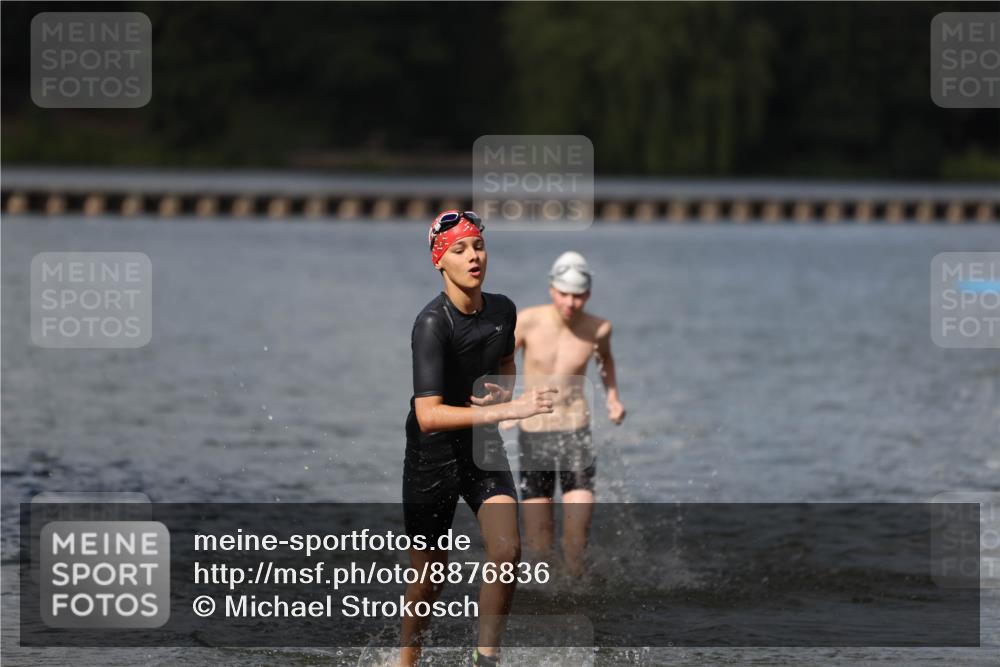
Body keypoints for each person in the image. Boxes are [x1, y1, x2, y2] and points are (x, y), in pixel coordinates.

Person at [400, 210, 558, 667]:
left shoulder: (504, 310)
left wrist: (501, 393)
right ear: (439, 262)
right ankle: (407, 662)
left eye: (479, 247)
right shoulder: (432, 324)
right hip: (431, 458)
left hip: (482, 450)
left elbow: (505, 363)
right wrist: (514, 408)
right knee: (430, 576)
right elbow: (427, 415)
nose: (474, 257)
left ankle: (484, 660)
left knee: (508, 551)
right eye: (460, 250)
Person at [503, 251, 625, 577]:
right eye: (564, 294)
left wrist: (613, 397)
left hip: (576, 434)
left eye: (579, 296)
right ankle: (546, 607)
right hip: (534, 436)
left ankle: (579, 601)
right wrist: (507, 403)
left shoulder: (599, 329)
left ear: (588, 294)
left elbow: (606, 362)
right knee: (540, 545)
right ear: (551, 289)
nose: (571, 303)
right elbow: (502, 363)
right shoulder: (527, 320)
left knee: (574, 543)